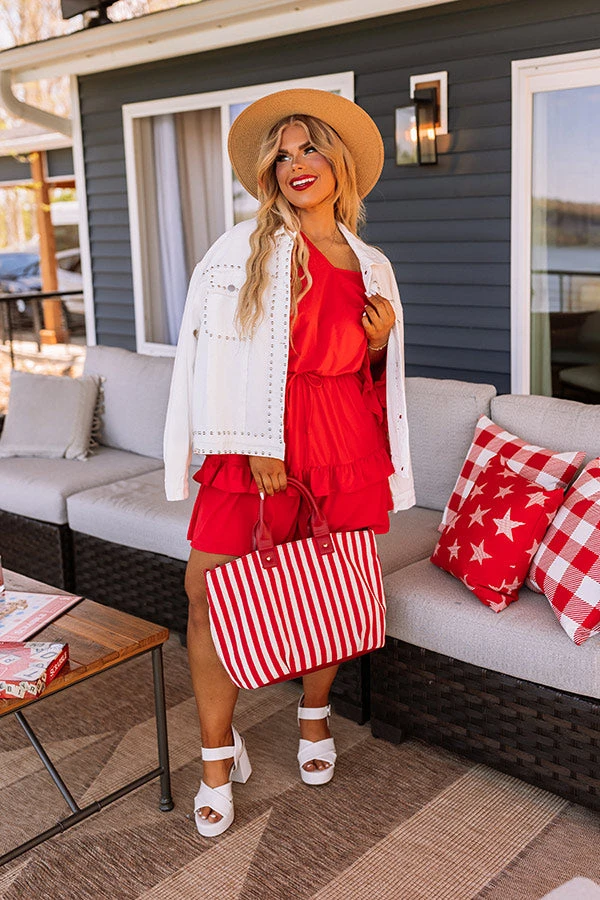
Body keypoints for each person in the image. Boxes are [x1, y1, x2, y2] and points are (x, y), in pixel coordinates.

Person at [163, 88, 415, 838]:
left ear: (339, 164)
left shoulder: (373, 264)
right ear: (269, 174)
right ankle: (217, 757)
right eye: (282, 155)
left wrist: (377, 344)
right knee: (206, 592)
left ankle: (313, 716)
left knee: (326, 590)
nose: (296, 164)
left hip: (342, 438)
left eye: (310, 149)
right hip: (258, 443)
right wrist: (254, 438)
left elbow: (373, 378)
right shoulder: (241, 248)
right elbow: (211, 353)